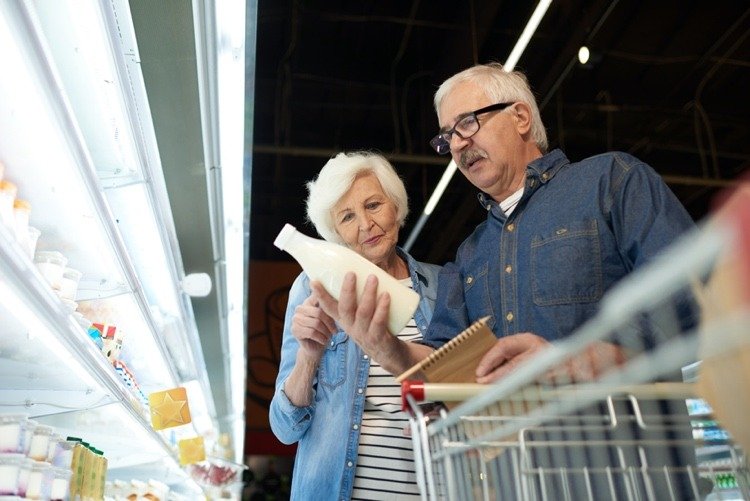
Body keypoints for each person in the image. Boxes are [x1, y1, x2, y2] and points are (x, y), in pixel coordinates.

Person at [312, 63, 702, 498]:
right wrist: (386, 348)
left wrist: (570, 361)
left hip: (633, 475)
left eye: (468, 122)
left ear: (520, 117)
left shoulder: (611, 181)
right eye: (447, 136)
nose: (458, 144)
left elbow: (693, 290)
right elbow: (447, 368)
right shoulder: (470, 254)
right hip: (520, 482)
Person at [269, 151, 441, 500]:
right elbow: (285, 428)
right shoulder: (311, 287)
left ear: (395, 205)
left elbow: (465, 391)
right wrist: (308, 356)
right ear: (336, 233)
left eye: (374, 205)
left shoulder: (442, 285)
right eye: (347, 216)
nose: (365, 224)